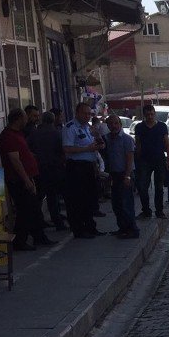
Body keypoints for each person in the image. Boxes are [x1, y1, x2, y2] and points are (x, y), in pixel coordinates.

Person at [0, 108, 55, 251]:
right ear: (18, 119)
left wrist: (32, 157)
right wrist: (26, 180)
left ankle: (39, 236)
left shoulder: (18, 134)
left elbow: (22, 152)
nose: (26, 120)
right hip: (18, 180)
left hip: (28, 176)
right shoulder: (8, 136)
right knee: (25, 210)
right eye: (25, 118)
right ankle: (20, 241)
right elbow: (15, 160)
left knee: (34, 208)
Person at [62, 102, 103, 239]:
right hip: (76, 167)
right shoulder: (70, 128)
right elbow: (67, 149)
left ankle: (90, 226)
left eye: (89, 114)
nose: (87, 116)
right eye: (84, 113)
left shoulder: (88, 128)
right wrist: (87, 149)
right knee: (77, 200)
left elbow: (95, 144)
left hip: (89, 166)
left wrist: (98, 138)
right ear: (77, 113)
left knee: (90, 198)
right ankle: (79, 229)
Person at [27, 110, 68, 231]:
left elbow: (27, 148)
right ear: (54, 119)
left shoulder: (35, 133)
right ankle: (59, 222)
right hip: (56, 168)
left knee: (45, 196)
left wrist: (36, 157)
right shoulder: (57, 133)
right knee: (57, 196)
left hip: (40, 168)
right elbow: (64, 151)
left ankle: (40, 221)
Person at [103, 114, 139, 239]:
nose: (113, 126)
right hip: (114, 175)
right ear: (107, 125)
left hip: (125, 174)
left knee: (126, 203)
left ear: (120, 124)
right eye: (111, 124)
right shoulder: (107, 139)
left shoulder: (126, 139)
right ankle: (122, 228)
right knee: (116, 204)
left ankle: (132, 230)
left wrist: (128, 176)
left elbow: (129, 158)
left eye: (116, 123)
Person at [134, 104, 169, 219]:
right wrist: (136, 162)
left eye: (152, 114)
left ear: (154, 114)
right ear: (144, 115)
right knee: (142, 187)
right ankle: (146, 211)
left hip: (159, 160)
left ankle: (159, 211)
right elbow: (138, 144)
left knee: (159, 187)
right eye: (147, 115)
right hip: (144, 161)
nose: (150, 117)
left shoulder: (161, 126)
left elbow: (167, 144)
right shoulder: (139, 127)